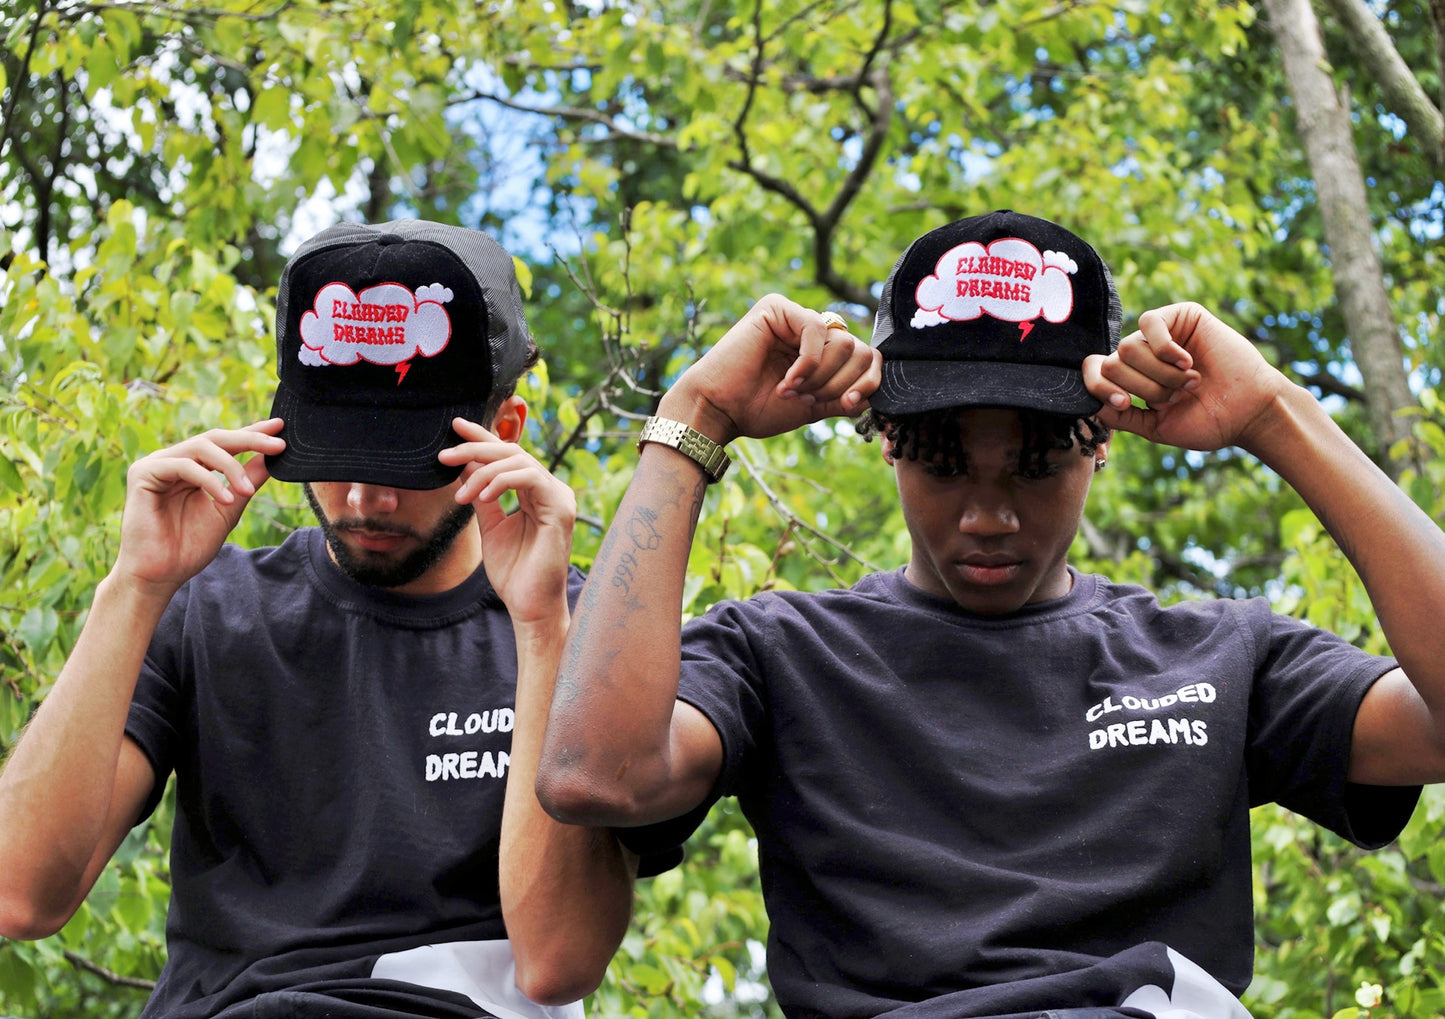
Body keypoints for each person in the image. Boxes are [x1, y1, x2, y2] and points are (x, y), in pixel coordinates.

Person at [537, 209, 1445, 1019]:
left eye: (1034, 466)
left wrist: (1275, 415)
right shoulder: (780, 652)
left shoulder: (1216, 653)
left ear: (1104, 444)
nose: (986, 516)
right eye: (943, 463)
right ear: (886, 445)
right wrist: (692, 418)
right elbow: (592, 775)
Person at [0, 219, 651, 1019]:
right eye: (338, 450)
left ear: (503, 433)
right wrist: (134, 586)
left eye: (404, 459)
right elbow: (18, 896)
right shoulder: (212, 607)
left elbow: (558, 962)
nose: (363, 498)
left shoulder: (576, 629)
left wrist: (542, 628)